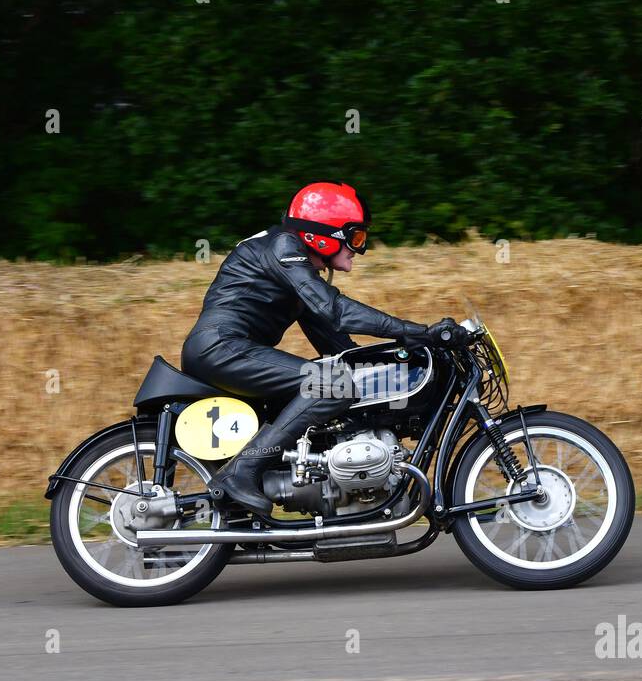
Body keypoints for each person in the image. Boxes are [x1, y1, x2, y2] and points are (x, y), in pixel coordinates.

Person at [181, 181, 465, 514]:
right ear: (323, 233)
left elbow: (337, 346)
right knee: (332, 385)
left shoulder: (299, 269)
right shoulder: (284, 248)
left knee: (343, 379)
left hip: (229, 349)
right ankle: (242, 472)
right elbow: (336, 311)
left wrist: (387, 367)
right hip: (221, 348)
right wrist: (418, 332)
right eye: (355, 237)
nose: (359, 249)